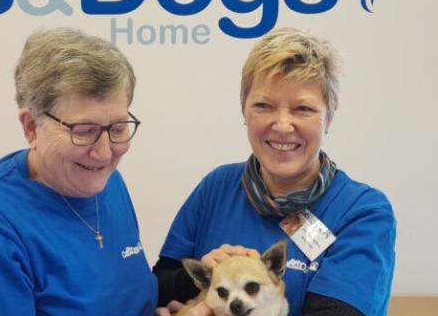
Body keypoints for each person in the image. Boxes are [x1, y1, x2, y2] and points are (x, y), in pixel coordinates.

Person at [153, 28, 396, 316]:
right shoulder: (216, 188)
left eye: (303, 109)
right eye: (263, 105)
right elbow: (160, 287)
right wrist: (206, 276)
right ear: (244, 111)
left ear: (329, 116)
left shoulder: (363, 213)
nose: (282, 125)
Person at [0, 28, 157, 316]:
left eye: (119, 129)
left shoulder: (108, 182)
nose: (105, 152)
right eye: (84, 132)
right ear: (31, 127)